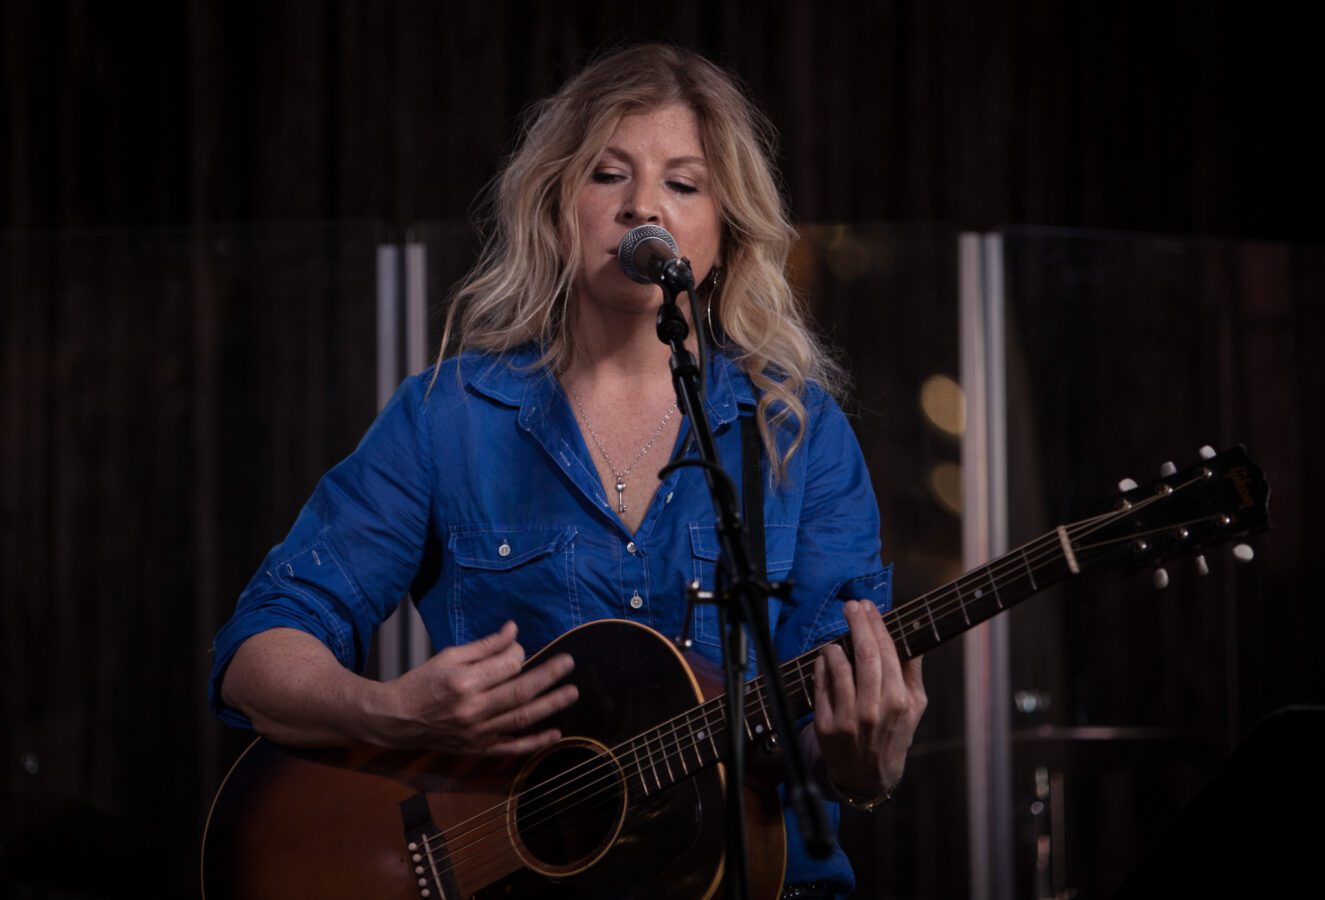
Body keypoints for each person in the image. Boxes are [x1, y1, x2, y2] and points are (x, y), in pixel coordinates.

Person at [209, 43, 926, 898]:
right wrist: (391, 712)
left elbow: (827, 733)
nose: (641, 206)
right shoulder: (448, 416)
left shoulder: (797, 433)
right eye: (606, 175)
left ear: (725, 233)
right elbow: (258, 649)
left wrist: (860, 765)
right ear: (557, 205)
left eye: (683, 184)